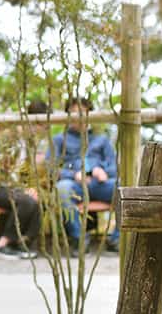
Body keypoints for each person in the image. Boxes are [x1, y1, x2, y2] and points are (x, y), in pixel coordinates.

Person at [49, 95, 120, 252]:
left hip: (99, 184)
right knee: (62, 189)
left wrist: (103, 171)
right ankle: (79, 240)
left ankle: (116, 240)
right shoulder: (59, 140)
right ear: (68, 115)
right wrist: (73, 174)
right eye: (75, 113)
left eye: (84, 112)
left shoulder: (101, 139)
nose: (80, 118)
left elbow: (115, 167)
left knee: (124, 188)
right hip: (74, 185)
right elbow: (50, 169)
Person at [0, 99, 48, 259]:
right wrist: (22, 189)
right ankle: (2, 245)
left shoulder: (30, 142)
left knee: (38, 199)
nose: (45, 130)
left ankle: (21, 243)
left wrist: (30, 187)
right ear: (33, 121)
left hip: (12, 189)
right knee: (26, 201)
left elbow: (25, 172)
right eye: (43, 125)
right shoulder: (7, 138)